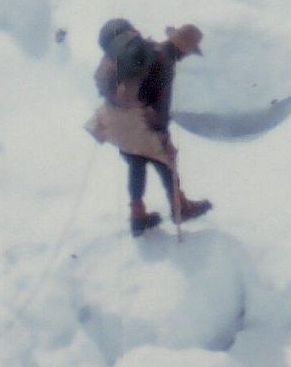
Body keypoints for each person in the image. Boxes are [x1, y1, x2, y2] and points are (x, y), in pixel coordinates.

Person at [87, 19, 214, 237]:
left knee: (136, 162)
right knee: (166, 163)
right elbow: (159, 105)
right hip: (138, 120)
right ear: (184, 50)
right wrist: (163, 135)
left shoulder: (148, 49)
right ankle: (180, 208)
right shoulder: (165, 63)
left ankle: (137, 216)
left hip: (114, 116)